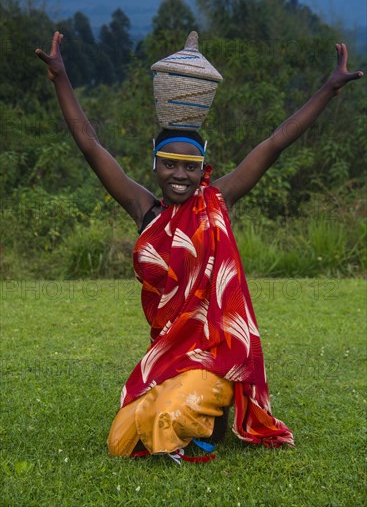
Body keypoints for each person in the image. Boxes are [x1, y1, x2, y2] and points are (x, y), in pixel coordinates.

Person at [36, 31, 363, 461]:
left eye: (189, 167)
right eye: (169, 164)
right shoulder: (145, 211)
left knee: (166, 424)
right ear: (154, 165)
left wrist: (328, 88)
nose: (179, 175)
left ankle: (212, 412)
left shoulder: (217, 200)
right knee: (121, 442)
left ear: (203, 168)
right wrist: (61, 77)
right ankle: (194, 410)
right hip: (170, 353)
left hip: (216, 351)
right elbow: (90, 145)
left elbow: (275, 142)